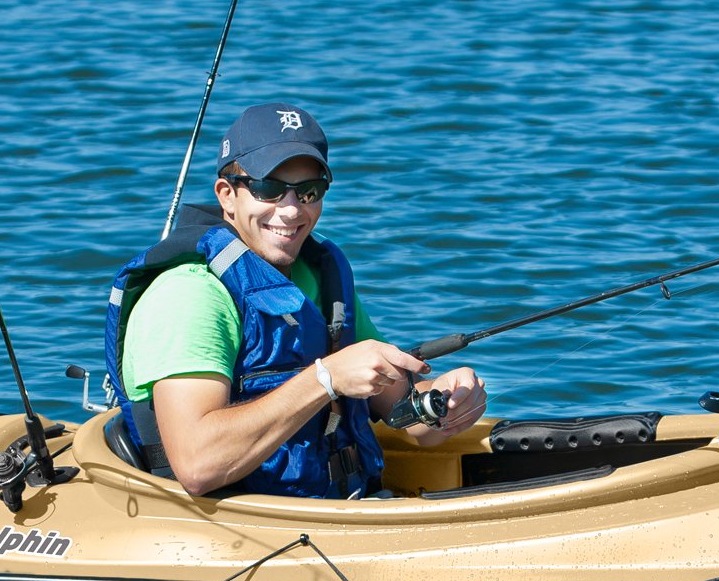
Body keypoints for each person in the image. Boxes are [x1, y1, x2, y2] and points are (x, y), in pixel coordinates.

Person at [102, 102, 487, 497]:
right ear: (227, 195)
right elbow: (199, 466)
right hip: (242, 528)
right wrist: (326, 379)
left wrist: (446, 402)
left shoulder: (321, 276)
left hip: (343, 507)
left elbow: (414, 424)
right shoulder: (189, 295)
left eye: (308, 192)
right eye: (269, 189)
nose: (290, 211)